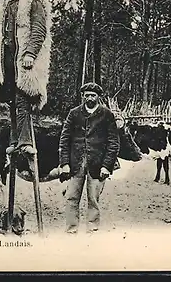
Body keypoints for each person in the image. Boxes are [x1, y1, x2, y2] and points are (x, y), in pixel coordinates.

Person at [0, 0, 52, 165]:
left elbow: (40, 30)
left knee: (23, 99)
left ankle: (25, 141)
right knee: (12, 101)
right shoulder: (5, 4)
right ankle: (15, 140)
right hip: (7, 61)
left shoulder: (34, 1)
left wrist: (30, 53)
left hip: (25, 61)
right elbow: (0, 34)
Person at [58, 82, 120, 233]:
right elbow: (64, 139)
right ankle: (71, 230)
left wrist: (107, 166)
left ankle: (92, 230)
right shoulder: (74, 113)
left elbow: (113, 143)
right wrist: (64, 163)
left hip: (97, 164)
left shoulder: (106, 115)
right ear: (83, 96)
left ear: (99, 97)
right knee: (71, 197)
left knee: (93, 199)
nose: (90, 98)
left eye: (93, 95)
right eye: (87, 95)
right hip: (76, 163)